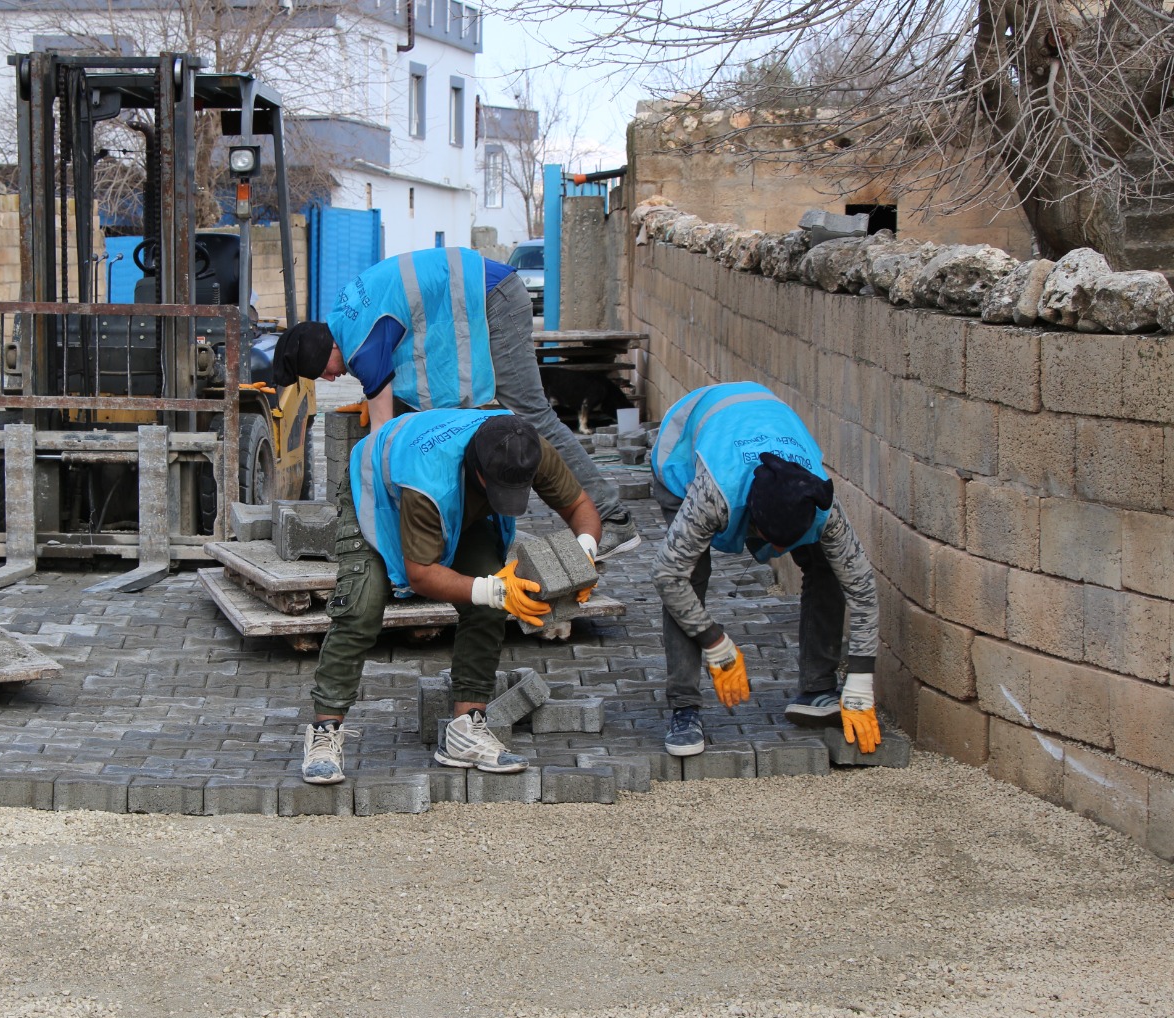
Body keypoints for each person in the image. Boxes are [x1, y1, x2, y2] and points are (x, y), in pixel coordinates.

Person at [270, 246, 640, 560]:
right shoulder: (345, 317)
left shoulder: (362, 347)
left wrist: (381, 518)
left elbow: (383, 444)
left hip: (494, 297)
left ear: (331, 348)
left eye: (325, 371)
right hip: (483, 293)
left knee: (531, 417)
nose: (331, 378)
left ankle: (612, 520)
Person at [300, 410, 602, 784]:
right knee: (361, 605)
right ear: (478, 472)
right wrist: (496, 589)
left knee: (488, 608)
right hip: (380, 489)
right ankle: (325, 731)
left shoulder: (524, 447)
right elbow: (421, 574)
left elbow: (581, 508)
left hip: (448, 496)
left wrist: (582, 557)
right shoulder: (431, 480)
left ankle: (466, 731)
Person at [649, 381, 881, 757]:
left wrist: (860, 679)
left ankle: (818, 689)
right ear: (751, 517)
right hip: (683, 444)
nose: (777, 554)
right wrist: (715, 642)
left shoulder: (822, 503)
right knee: (689, 576)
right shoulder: (713, 495)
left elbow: (863, 589)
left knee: (827, 565)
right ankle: (684, 708)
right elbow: (665, 573)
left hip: (760, 424)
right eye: (771, 542)